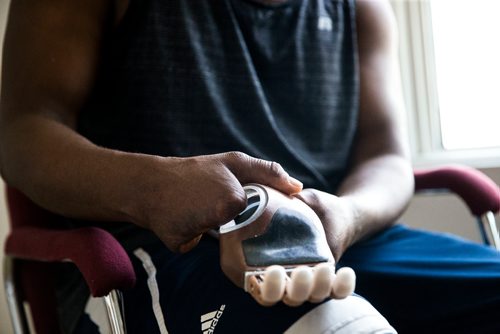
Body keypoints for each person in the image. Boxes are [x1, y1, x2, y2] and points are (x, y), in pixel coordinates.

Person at [0, 0, 499, 333]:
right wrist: (156, 189)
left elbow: (387, 156)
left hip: (336, 235)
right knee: (335, 324)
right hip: (159, 250)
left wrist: (342, 217)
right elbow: (20, 134)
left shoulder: (361, 8)